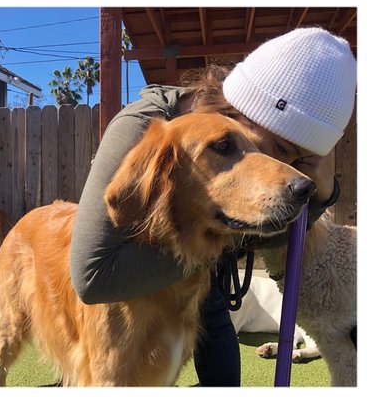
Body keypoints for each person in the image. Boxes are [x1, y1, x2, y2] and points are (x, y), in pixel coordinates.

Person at [69, 27, 356, 386]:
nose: (285, 170)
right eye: (282, 150)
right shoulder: (145, 127)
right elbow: (92, 278)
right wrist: (211, 248)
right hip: (135, 277)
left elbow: (268, 234)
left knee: (215, 322)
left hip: (202, 274)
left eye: (298, 160)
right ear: (243, 111)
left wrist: (323, 196)